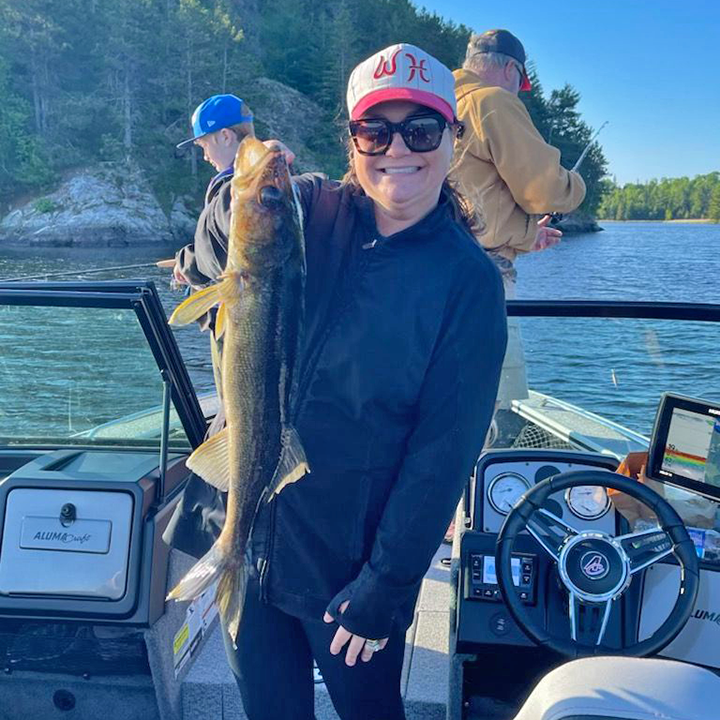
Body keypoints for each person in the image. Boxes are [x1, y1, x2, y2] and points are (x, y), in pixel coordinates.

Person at [165, 43, 507, 720]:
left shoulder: (467, 282)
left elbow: (442, 457)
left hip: (347, 564)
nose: (397, 149)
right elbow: (212, 253)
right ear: (352, 139)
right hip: (251, 535)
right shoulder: (309, 208)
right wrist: (240, 186)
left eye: (421, 130)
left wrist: (388, 583)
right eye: (375, 130)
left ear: (452, 139)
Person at [451, 29, 586, 409]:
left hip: (446, 265)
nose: (517, 90)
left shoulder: (442, 103)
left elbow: (474, 203)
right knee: (486, 403)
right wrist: (576, 185)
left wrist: (527, 236)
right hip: (484, 278)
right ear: (512, 69)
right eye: (520, 81)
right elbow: (545, 191)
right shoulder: (492, 101)